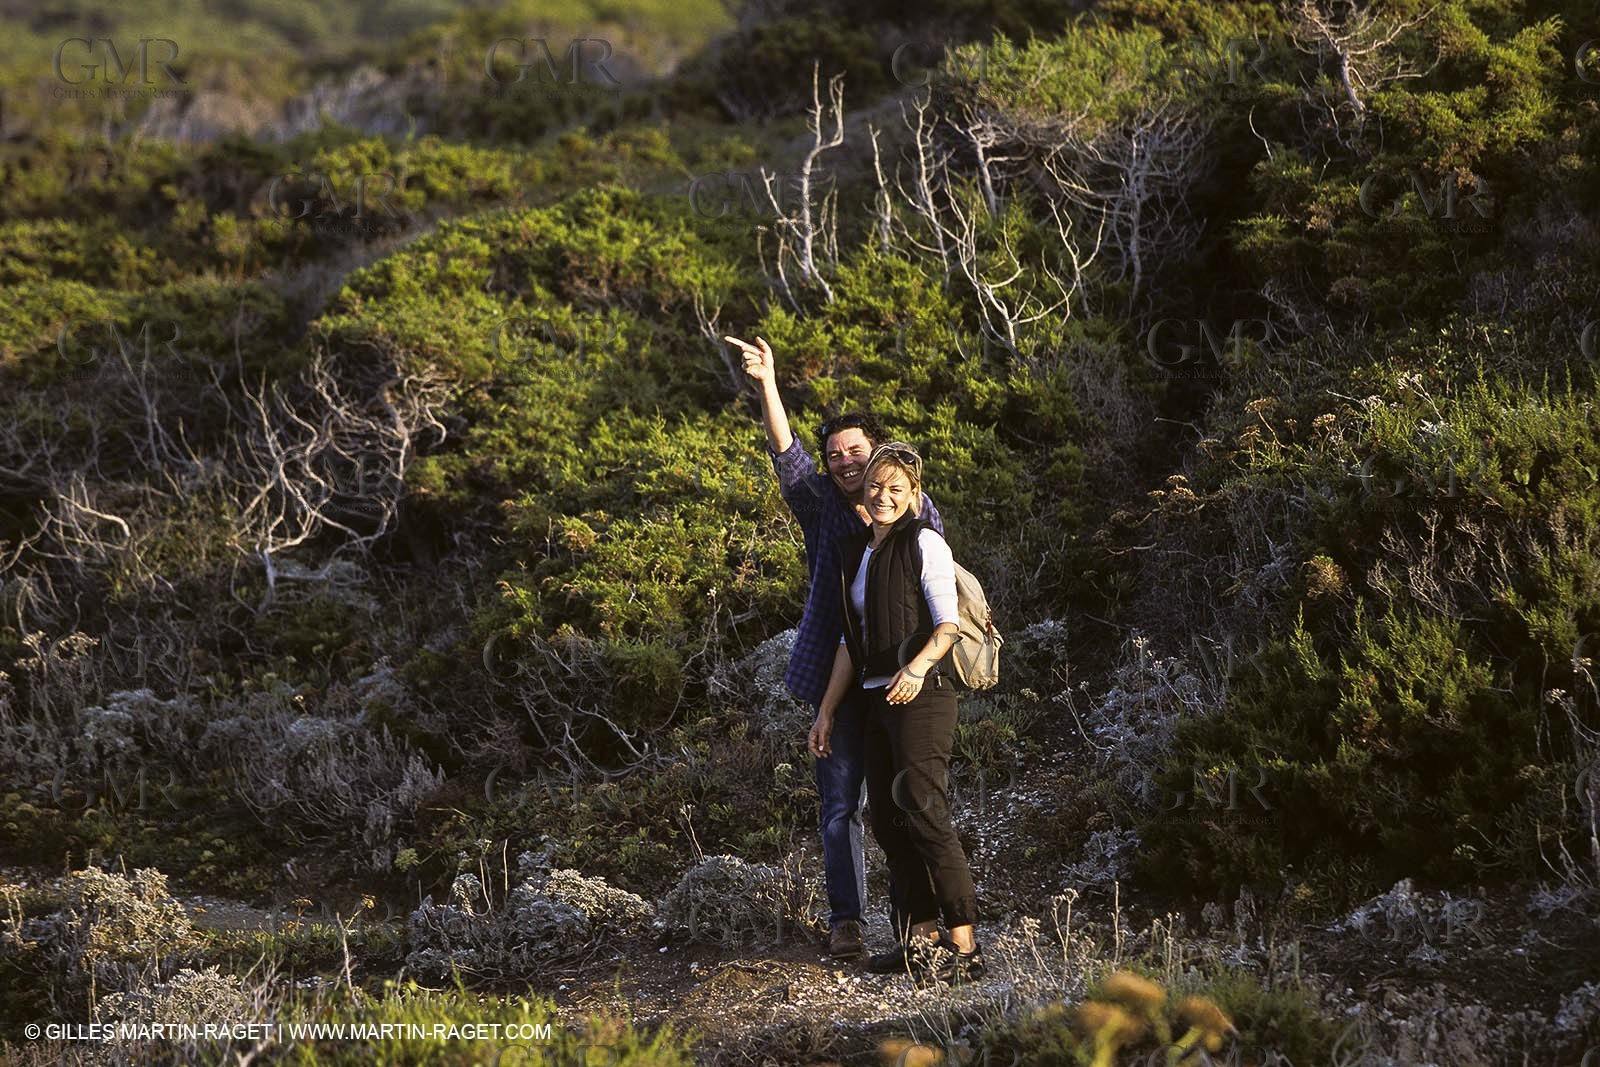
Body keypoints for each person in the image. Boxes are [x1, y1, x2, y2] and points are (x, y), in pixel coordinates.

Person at [725, 333, 943, 960]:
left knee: (903, 802)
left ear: (879, 456)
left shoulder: (917, 511)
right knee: (840, 805)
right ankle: (847, 923)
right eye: (836, 455)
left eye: (856, 451)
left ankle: (916, 924)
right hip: (838, 677)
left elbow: (936, 595)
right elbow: (787, 453)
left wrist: (929, 664)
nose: (846, 461)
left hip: (901, 676)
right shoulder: (821, 505)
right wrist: (768, 384)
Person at [813, 442, 986, 986]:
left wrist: (913, 670)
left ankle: (964, 945)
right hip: (873, 701)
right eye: (874, 487)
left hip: (923, 696)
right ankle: (921, 940)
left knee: (925, 814)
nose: (882, 496)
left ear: (913, 495)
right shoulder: (856, 552)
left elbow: (947, 625)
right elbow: (850, 640)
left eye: (895, 488)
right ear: (862, 493)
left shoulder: (924, 540)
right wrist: (827, 711)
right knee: (888, 824)